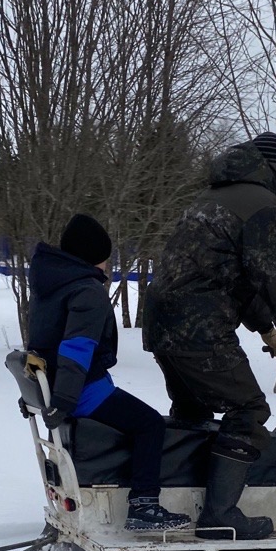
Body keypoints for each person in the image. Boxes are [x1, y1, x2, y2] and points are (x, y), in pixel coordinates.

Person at [143, 131, 276, 540]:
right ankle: (220, 514)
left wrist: (266, 329)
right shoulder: (262, 207)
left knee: (192, 410)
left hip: (162, 323)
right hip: (200, 328)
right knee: (247, 411)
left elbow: (231, 277)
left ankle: (180, 495)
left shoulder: (209, 200)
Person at [27, 213, 190, 533]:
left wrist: (40, 391)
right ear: (93, 255)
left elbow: (39, 345)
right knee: (150, 424)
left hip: (62, 386)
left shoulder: (50, 283)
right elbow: (76, 348)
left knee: (137, 419)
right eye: (105, 257)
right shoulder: (86, 290)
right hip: (82, 390)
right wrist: (65, 399)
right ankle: (144, 505)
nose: (107, 264)